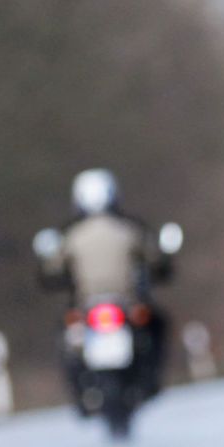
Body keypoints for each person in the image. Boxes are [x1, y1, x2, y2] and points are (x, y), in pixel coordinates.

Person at [37, 169, 172, 400]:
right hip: (128, 305)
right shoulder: (130, 229)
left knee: (64, 338)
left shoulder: (70, 235)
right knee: (158, 325)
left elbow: (51, 272)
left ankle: (78, 394)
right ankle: (151, 381)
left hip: (85, 307)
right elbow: (156, 260)